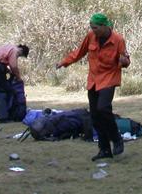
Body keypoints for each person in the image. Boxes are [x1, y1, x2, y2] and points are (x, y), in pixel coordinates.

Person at [56, 13, 130, 161]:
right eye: (91, 27)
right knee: (95, 116)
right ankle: (104, 149)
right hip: (94, 80)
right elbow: (79, 52)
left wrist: (124, 61)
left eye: (95, 28)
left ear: (104, 26)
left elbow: (126, 61)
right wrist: (64, 62)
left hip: (109, 78)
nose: (93, 30)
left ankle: (116, 139)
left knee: (103, 108)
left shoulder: (118, 40)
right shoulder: (90, 36)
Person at [0, 44, 29, 122]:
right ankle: (2, 118)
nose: (18, 56)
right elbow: (13, 66)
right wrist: (18, 77)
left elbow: (0, 61)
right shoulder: (15, 50)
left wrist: (7, 70)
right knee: (1, 93)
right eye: (20, 55)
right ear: (21, 50)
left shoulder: (8, 47)